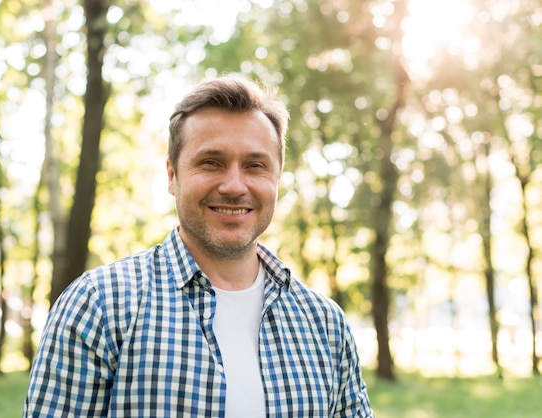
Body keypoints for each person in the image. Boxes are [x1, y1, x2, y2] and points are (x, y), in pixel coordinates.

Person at [23, 73, 374, 417]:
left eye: (255, 165)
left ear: (277, 178)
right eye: (211, 162)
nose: (235, 185)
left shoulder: (325, 324)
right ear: (172, 176)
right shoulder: (100, 306)